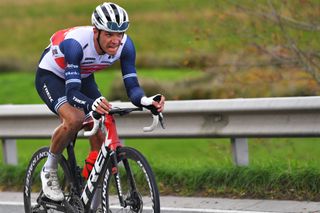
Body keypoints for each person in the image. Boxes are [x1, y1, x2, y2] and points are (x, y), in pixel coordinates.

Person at [35, 2, 165, 201]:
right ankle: (49, 168)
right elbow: (72, 93)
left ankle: (86, 186)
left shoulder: (126, 46)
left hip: (83, 76)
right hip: (52, 76)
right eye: (109, 34)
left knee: (100, 126)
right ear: (96, 31)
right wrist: (89, 105)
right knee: (75, 118)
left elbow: (132, 87)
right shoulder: (76, 44)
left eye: (120, 34)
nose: (115, 41)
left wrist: (146, 101)